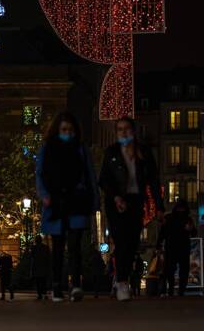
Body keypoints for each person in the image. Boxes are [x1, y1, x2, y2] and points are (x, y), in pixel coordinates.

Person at [99, 116, 164, 302]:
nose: (124, 132)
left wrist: (159, 207)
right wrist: (115, 196)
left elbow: (153, 180)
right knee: (120, 241)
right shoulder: (111, 152)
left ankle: (122, 279)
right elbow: (104, 179)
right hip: (116, 202)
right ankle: (121, 282)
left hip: (136, 201)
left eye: (127, 128)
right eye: (120, 129)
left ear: (133, 131)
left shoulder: (143, 152)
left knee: (132, 241)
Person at [36, 112, 99, 302]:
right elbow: (40, 173)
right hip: (55, 201)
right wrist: (44, 195)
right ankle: (56, 286)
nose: (68, 133)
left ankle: (75, 286)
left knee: (74, 246)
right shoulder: (48, 149)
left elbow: (90, 175)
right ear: (57, 130)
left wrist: (94, 201)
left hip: (76, 200)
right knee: (57, 246)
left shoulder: (80, 149)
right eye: (64, 129)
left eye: (70, 130)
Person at [158, 199, 195, 297]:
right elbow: (162, 232)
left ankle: (175, 291)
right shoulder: (182, 218)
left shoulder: (174, 218)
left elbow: (162, 233)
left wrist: (159, 244)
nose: (181, 211)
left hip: (176, 247)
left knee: (174, 270)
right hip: (176, 247)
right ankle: (177, 291)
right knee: (174, 270)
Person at [30, 235, 50, 300]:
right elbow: (48, 257)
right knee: (44, 281)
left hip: (37, 267)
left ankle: (40, 295)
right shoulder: (46, 247)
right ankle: (44, 294)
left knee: (38, 282)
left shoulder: (33, 247)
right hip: (43, 266)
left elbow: (32, 256)